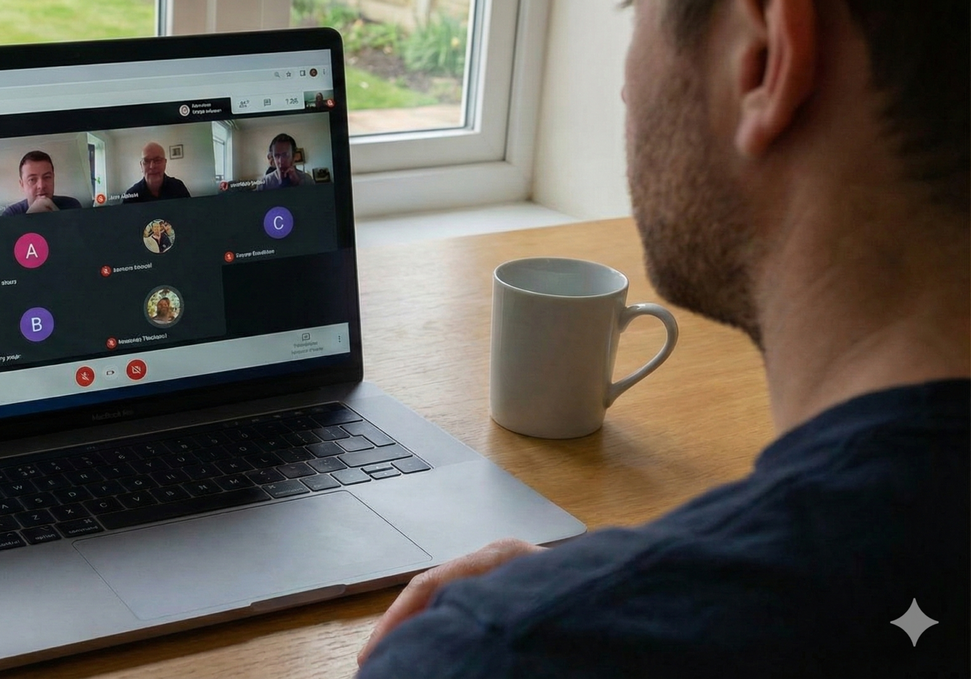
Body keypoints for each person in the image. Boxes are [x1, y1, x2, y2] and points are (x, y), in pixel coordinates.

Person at [359, 1, 968, 677]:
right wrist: (617, 592)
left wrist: (556, 626)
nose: (624, 87)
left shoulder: (497, 653)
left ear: (764, 55)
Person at [2, 150, 83, 216]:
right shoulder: (11, 214)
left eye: (47, 177)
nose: (41, 186)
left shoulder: (71, 205)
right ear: (22, 184)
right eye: (32, 179)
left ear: (53, 178)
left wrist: (57, 213)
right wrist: (29, 216)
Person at [123, 142, 191, 203]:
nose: (152, 166)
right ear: (141, 166)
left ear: (165, 163)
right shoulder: (131, 195)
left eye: (157, 160)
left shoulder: (178, 187)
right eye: (146, 161)